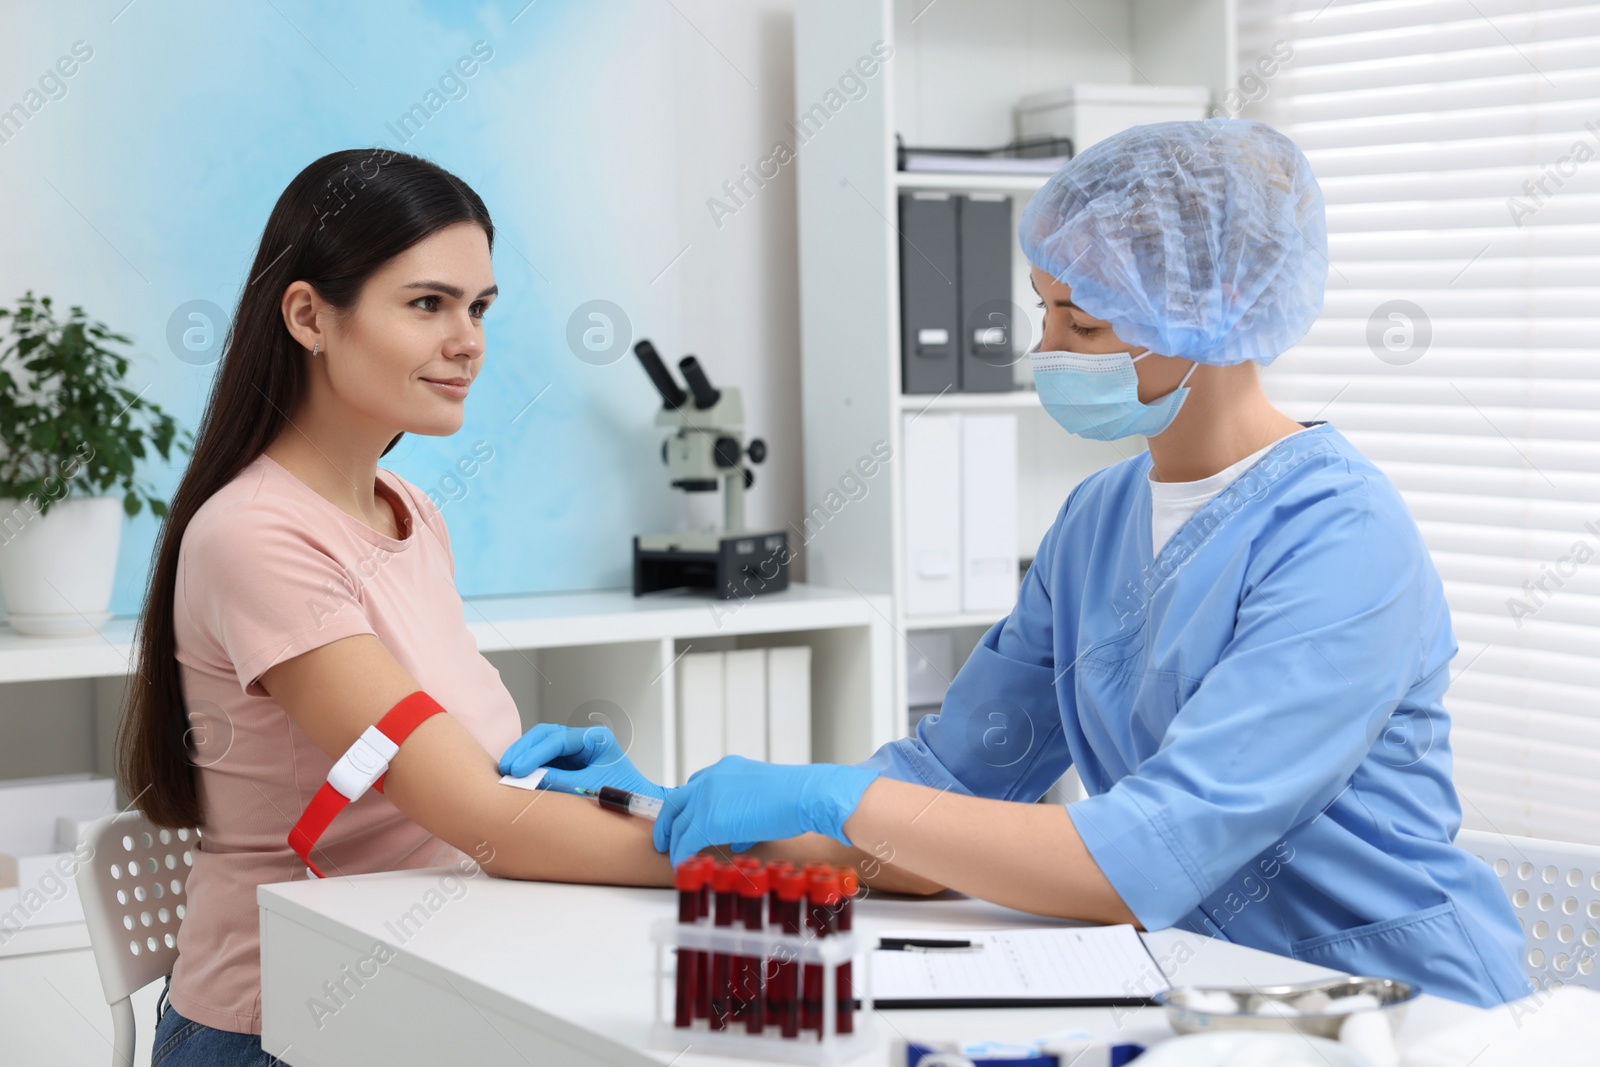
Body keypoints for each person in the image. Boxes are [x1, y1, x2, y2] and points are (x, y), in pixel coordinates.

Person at [509, 119, 1531, 1008]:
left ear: (1215, 311)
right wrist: (659, 805)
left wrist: (826, 794)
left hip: (1398, 1007)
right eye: (1042, 308)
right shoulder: (1096, 520)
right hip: (1206, 994)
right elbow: (947, 792)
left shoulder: (1342, 538)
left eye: (1080, 321)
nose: (1043, 347)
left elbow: (1148, 852)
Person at [118, 149, 681, 1066]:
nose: (469, 341)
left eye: (480, 308)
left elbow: (467, 788)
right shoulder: (255, 537)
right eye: (429, 304)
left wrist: (602, 797)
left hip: (431, 973)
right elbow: (475, 815)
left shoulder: (411, 512)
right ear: (308, 315)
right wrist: (744, 847)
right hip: (287, 1020)